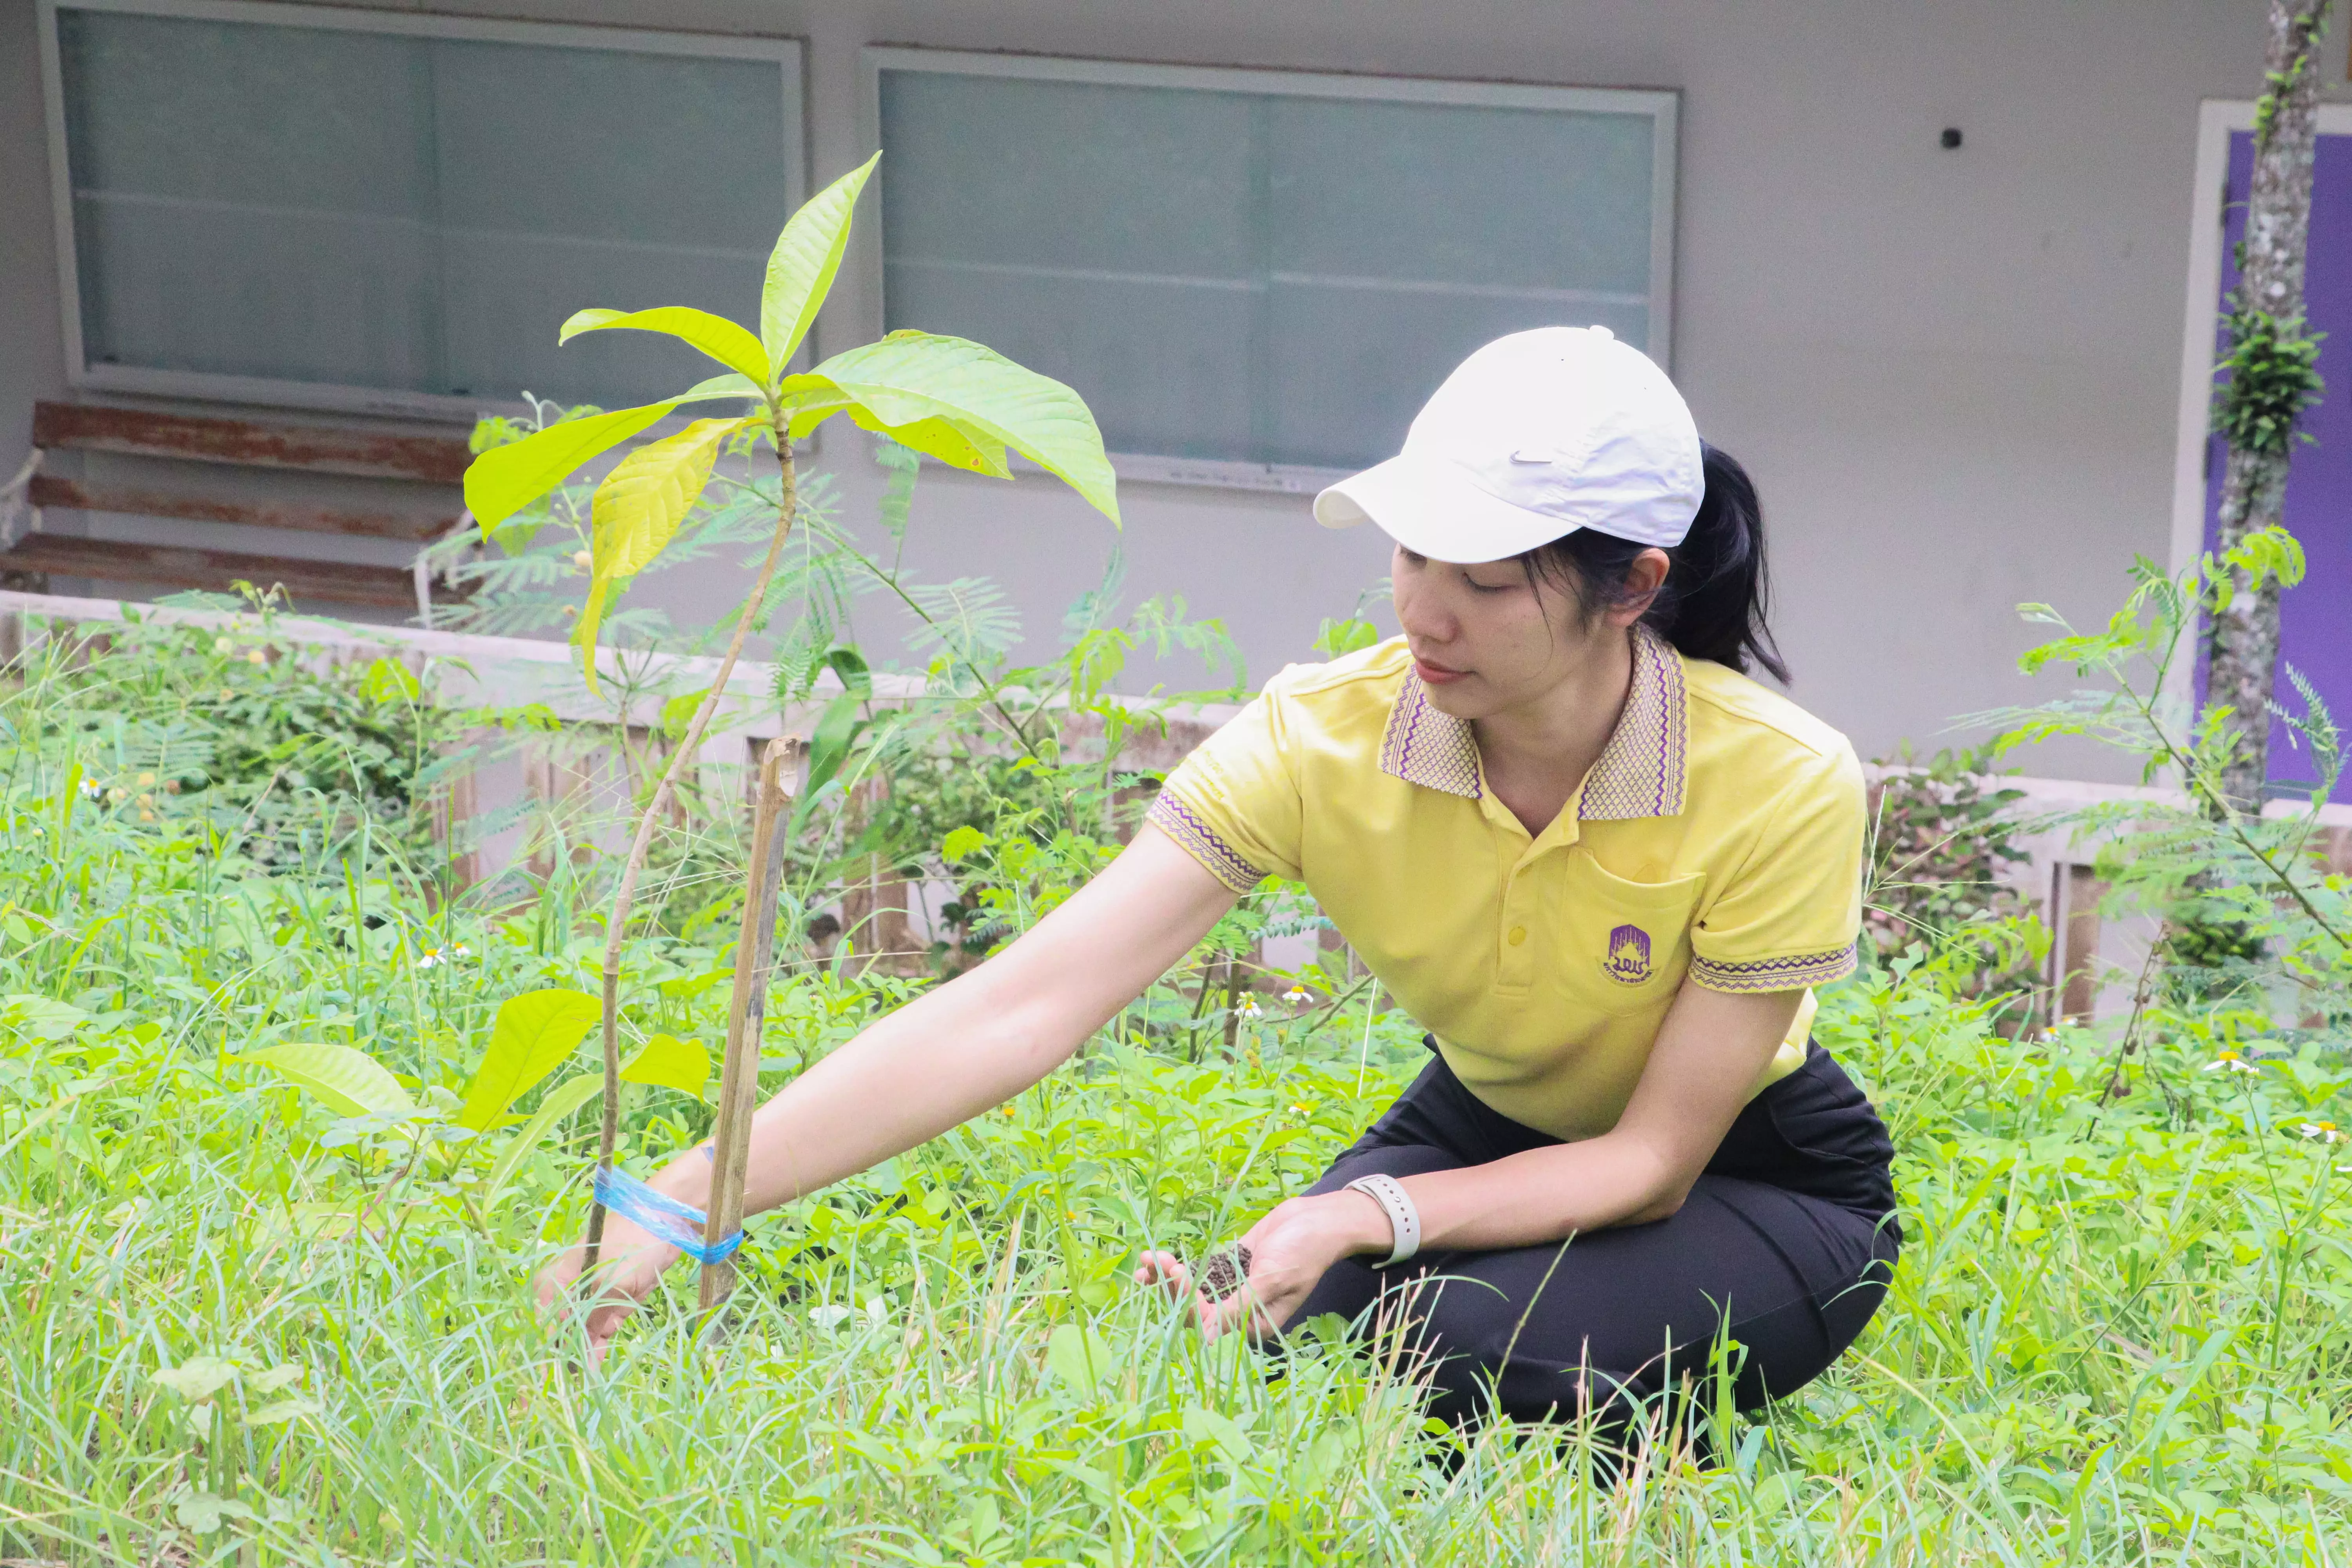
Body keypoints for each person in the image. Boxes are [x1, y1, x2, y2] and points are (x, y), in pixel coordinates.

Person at [537, 326, 1899, 1432]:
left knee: (1469, 1350)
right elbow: (1027, 1006)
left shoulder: (1778, 778)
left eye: (1483, 579)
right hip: (1485, 1119)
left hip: (1756, 1173)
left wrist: (1367, 1213)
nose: (1423, 611)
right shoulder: (1321, 735)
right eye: (1412, 552)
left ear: (1631, 586)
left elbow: (1653, 1162)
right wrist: (683, 1196)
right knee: (1263, 1318)